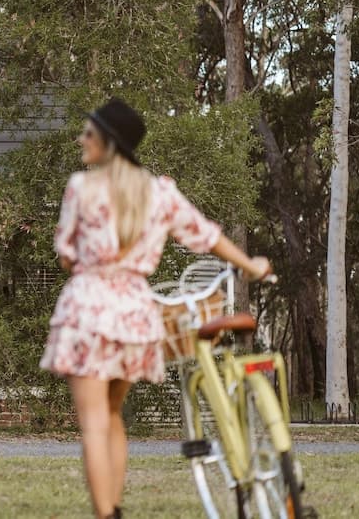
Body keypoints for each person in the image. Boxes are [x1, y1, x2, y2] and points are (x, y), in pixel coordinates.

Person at [39, 98, 271, 519]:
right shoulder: (159, 193)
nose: (80, 139)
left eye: (88, 133)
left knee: (94, 422)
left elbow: (66, 255)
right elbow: (206, 235)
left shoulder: (81, 188)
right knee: (113, 415)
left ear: (109, 142)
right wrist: (250, 265)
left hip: (88, 310)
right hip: (134, 313)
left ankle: (106, 514)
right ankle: (114, 509)